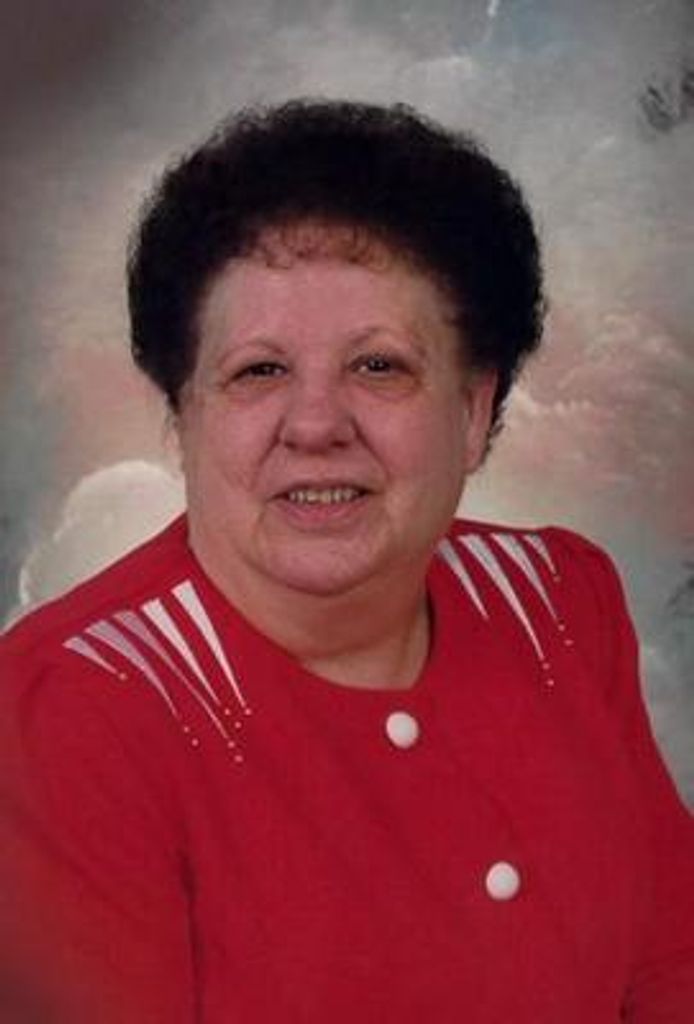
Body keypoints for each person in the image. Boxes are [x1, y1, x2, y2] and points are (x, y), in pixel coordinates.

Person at [1, 99, 692, 1023]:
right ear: (184, 415)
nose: (317, 424)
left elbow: (673, 962)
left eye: (379, 367)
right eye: (258, 371)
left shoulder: (557, 601)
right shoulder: (72, 713)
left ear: (474, 410)